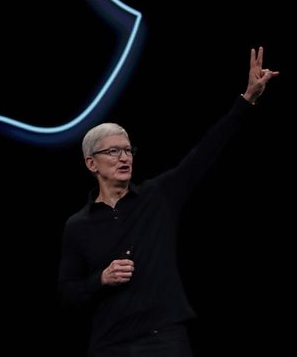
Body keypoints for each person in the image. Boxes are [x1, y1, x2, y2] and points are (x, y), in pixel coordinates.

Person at [57, 46, 279, 357]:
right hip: (109, 345)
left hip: (164, 341)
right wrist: (100, 279)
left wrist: (246, 100)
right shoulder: (78, 225)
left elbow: (204, 152)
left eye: (128, 150)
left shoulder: (157, 196)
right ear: (91, 163)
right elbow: (67, 294)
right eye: (113, 151)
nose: (124, 157)